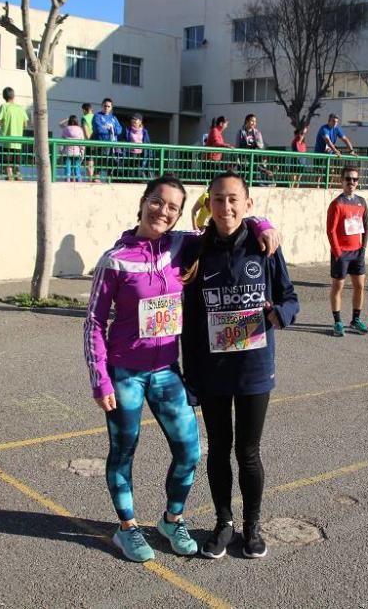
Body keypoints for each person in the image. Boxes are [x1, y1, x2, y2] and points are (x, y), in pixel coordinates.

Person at [84, 174, 279, 563]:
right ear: (143, 202)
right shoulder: (115, 259)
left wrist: (262, 223)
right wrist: (100, 377)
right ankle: (127, 529)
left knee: (190, 450)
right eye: (157, 202)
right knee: (124, 451)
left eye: (173, 206)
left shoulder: (182, 246)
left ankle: (172, 520)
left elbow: (228, 225)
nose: (163, 211)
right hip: (125, 374)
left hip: (166, 370)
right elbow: (93, 322)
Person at [180, 171, 299, 560]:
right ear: (208, 204)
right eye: (217, 199)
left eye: (233, 199)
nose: (225, 206)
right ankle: (223, 523)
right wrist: (191, 375)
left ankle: (252, 526)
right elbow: (191, 322)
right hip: (213, 372)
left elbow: (289, 298)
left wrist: (278, 315)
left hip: (253, 369)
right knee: (218, 449)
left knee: (248, 452)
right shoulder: (197, 251)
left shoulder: (265, 246)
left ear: (248, 204)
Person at [327, 164, 368, 337]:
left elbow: (366, 226)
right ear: (341, 181)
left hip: (357, 252)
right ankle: (338, 321)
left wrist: (364, 248)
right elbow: (330, 230)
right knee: (338, 287)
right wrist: (337, 252)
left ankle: (356, 319)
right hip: (341, 253)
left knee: (360, 286)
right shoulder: (337, 204)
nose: (351, 182)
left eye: (354, 179)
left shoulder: (362, 202)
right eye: (348, 179)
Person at [0, 87, 28, 181]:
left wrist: (2, 123)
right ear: (14, 96)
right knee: (16, 165)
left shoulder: (4, 106)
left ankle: (10, 180)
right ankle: (19, 178)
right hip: (18, 142)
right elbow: (25, 125)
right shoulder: (20, 108)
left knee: (7, 164)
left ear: (4, 96)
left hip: (6, 141)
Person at [91, 98, 123, 182]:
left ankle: (109, 180)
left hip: (113, 145)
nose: (106, 108)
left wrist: (111, 129)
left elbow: (119, 130)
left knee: (112, 163)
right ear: (102, 106)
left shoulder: (113, 118)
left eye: (109, 106)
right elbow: (98, 129)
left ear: (111, 107)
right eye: (105, 106)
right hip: (101, 144)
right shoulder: (97, 116)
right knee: (99, 163)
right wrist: (109, 130)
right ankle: (96, 179)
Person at [235, 114, 273, 184]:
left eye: (255, 121)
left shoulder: (256, 132)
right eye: (252, 121)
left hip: (254, 157)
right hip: (243, 157)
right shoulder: (240, 132)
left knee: (255, 173)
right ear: (247, 121)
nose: (254, 123)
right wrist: (237, 157)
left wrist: (257, 142)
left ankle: (256, 184)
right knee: (243, 175)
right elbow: (237, 145)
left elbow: (261, 145)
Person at [122, 113, 151, 179]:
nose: (133, 120)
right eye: (132, 119)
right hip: (130, 153)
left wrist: (149, 154)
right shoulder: (127, 130)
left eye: (135, 119)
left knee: (139, 170)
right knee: (130, 170)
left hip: (141, 153)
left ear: (140, 121)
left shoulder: (144, 131)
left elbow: (148, 143)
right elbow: (123, 140)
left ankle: (139, 180)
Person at [58, 115, 85, 182]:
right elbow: (82, 142)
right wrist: (82, 152)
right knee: (77, 169)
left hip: (67, 152)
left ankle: (67, 180)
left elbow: (60, 124)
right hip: (77, 152)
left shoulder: (66, 129)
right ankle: (78, 181)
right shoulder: (79, 129)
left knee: (67, 169)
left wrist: (61, 152)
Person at [80, 102, 96, 181]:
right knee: (95, 160)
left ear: (84, 110)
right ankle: (95, 178)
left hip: (90, 142)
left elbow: (86, 132)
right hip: (98, 141)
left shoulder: (84, 118)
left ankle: (90, 179)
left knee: (89, 161)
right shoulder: (96, 116)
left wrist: (89, 143)